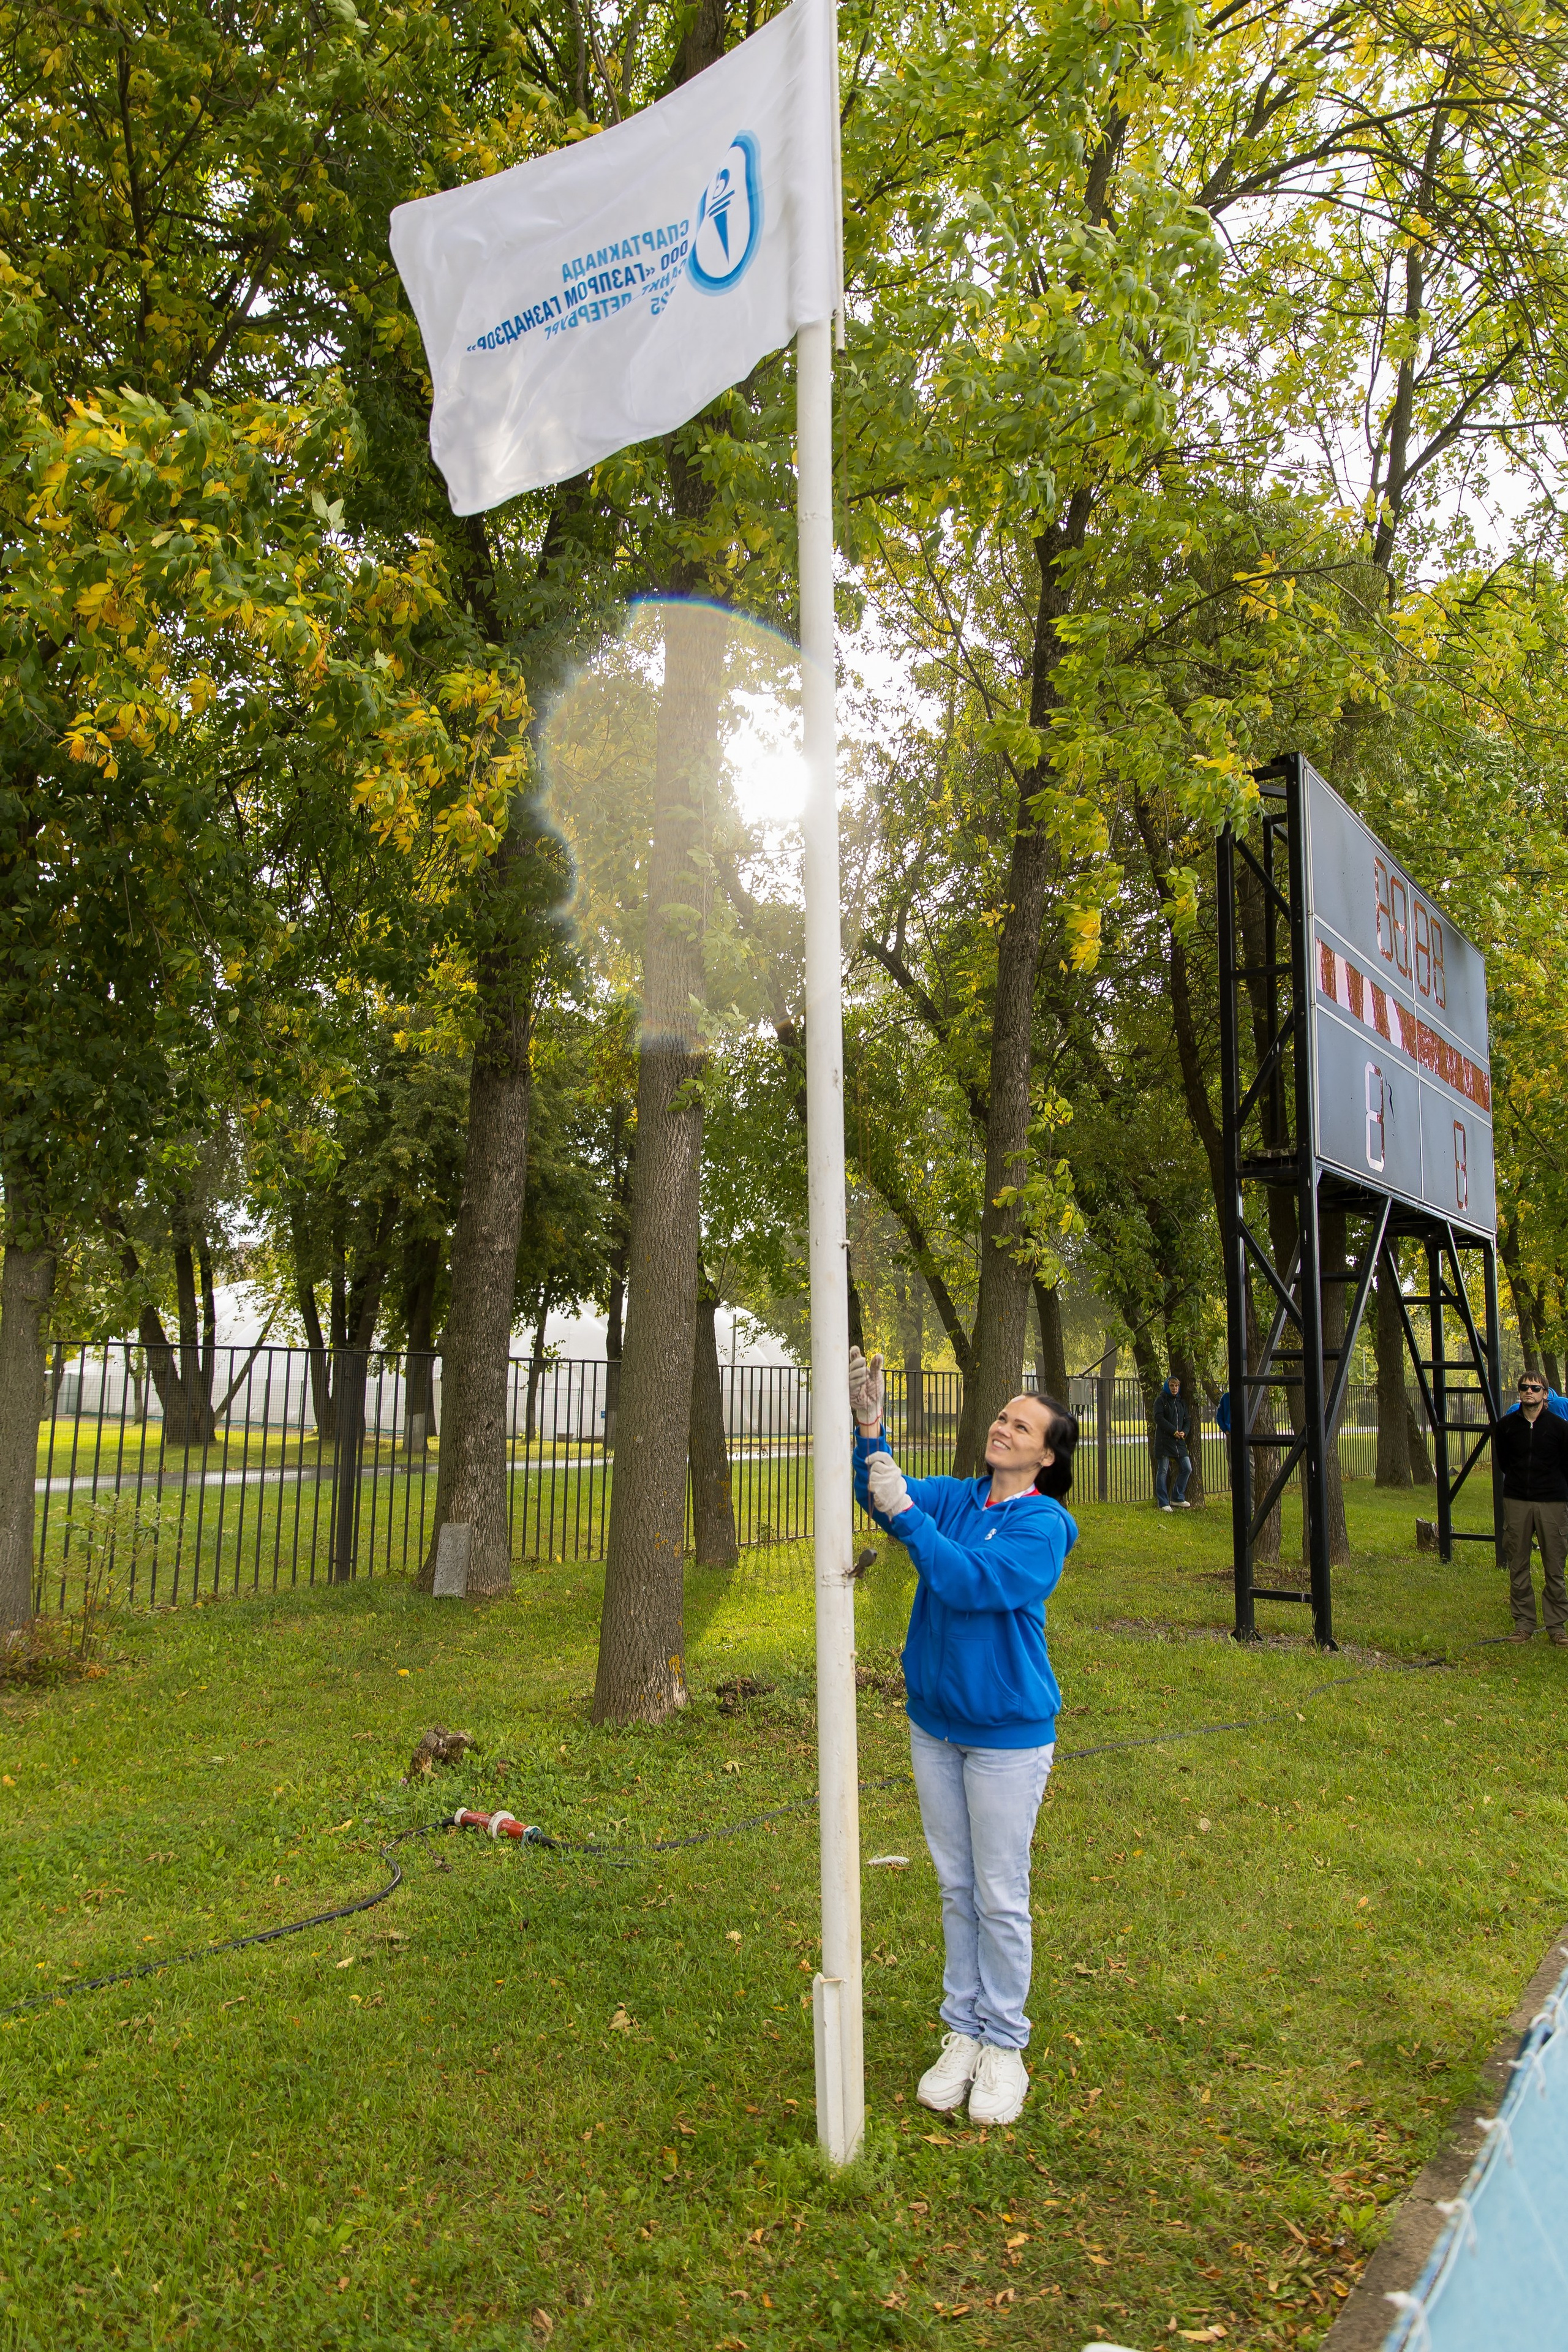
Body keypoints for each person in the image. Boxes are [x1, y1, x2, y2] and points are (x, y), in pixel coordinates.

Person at [848, 1344, 1077, 2128]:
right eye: (1002, 1417)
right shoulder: (957, 1498)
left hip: (1008, 1736)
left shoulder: (1044, 1523)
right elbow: (887, 1499)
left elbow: (971, 1584)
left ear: (1047, 1454)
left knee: (999, 1892)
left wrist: (907, 1515)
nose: (1003, 1428)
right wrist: (871, 1430)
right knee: (954, 1884)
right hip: (935, 1725)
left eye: (1022, 1426)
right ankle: (962, 2031)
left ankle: (1004, 2044)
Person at [1491, 1371, 1568, 1645]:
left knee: (1555, 1566)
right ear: (1519, 1393)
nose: (1529, 1392)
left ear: (1545, 1394)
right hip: (1517, 1502)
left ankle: (1556, 1626)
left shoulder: (1560, 1428)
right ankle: (1523, 1624)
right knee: (1518, 1564)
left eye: (1535, 1388)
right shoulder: (1506, 1427)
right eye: (1524, 1388)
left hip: (1552, 1503)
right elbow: (1505, 1462)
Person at [1153, 1373, 1193, 1511]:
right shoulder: (1161, 1400)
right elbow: (1159, 1418)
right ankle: (1163, 1502)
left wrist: (1184, 1432)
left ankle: (1177, 1497)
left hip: (1179, 1442)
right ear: (1167, 1387)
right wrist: (1173, 1431)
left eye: (1176, 1386)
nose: (1174, 1388)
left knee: (1187, 1468)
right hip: (1164, 1441)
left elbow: (1187, 1421)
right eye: (1172, 1386)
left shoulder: (1182, 1403)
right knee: (1163, 1470)